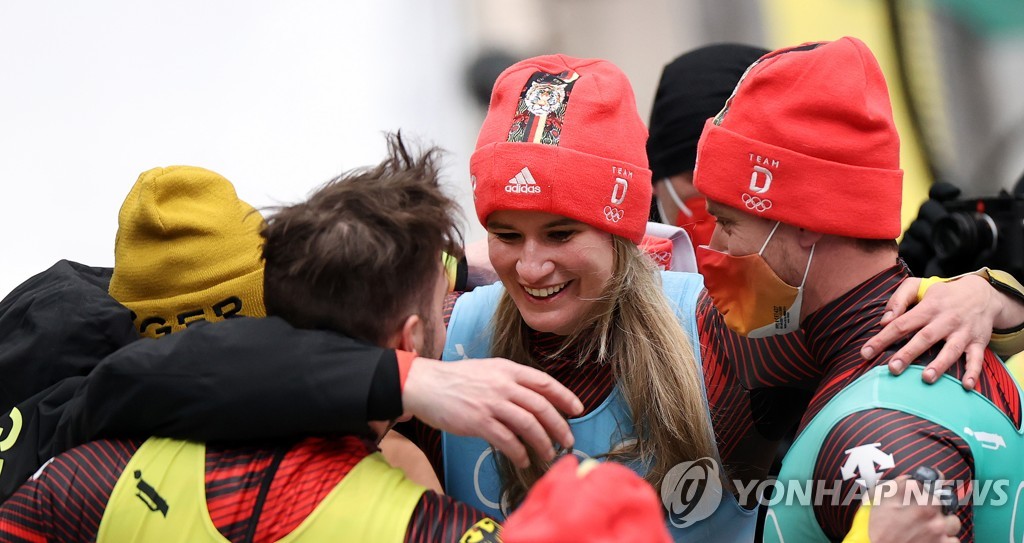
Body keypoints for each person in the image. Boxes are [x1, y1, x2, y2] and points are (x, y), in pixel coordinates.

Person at [0, 136, 505, 541]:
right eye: (272, 319)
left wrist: (450, 265)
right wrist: (396, 376)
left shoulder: (70, 346)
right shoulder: (105, 415)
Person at [690, 37, 1024, 541]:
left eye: (728, 223)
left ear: (805, 222)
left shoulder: (877, 424)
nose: (712, 246)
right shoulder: (908, 336)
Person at [647, 43, 768, 254]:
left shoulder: (802, 268)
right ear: (654, 176)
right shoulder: (611, 270)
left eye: (737, 177)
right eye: (696, 176)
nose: (716, 199)